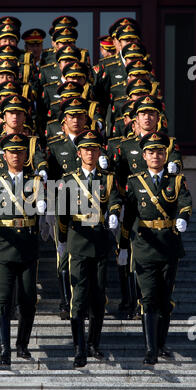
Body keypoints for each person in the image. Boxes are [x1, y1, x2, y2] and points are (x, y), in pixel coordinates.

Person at [118, 132, 192, 365]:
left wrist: (183, 217)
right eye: (151, 152)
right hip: (145, 245)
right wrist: (122, 246)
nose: (156, 156)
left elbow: (185, 202)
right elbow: (129, 216)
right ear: (144, 155)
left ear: (165, 154)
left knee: (164, 298)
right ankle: (150, 349)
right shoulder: (135, 182)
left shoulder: (175, 180)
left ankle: (161, 344)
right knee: (148, 298)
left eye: (160, 151)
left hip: (169, 244)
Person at [0, 133, 46, 366]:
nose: (16, 156)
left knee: (27, 299)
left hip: (27, 245)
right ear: (4, 156)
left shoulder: (36, 182)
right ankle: (4, 349)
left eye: (20, 152)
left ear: (26, 156)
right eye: (11, 152)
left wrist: (46, 204)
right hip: (4, 247)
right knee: (3, 299)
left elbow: (51, 210)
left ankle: (22, 345)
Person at [57, 130, 122, 367]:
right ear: (79, 152)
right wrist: (62, 240)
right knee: (79, 297)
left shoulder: (107, 178)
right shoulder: (69, 179)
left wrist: (114, 213)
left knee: (98, 296)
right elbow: (63, 213)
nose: (91, 153)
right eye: (86, 149)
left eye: (95, 148)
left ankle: (94, 343)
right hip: (79, 241)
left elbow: (115, 199)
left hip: (101, 241)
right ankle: (79, 347)